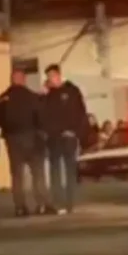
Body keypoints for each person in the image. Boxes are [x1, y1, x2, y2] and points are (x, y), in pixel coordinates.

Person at [0, 68, 52, 217]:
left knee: (17, 175)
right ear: (23, 79)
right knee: (38, 173)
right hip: (32, 138)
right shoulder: (32, 97)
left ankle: (20, 207)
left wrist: (7, 131)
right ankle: (42, 204)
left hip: (13, 139)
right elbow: (41, 117)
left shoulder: (3, 98)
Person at [41, 64, 88, 214]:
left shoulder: (72, 91)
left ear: (58, 75)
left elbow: (81, 113)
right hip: (54, 138)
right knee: (55, 170)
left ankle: (70, 203)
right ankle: (58, 202)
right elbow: (43, 116)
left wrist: (75, 132)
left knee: (69, 170)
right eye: (48, 77)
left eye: (51, 77)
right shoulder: (48, 95)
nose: (50, 80)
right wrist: (42, 95)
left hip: (69, 136)